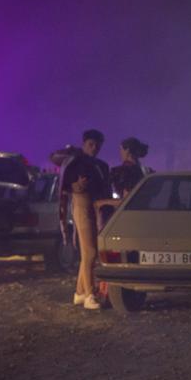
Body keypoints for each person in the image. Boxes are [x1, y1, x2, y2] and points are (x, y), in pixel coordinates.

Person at [59, 129, 110, 310]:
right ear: (84, 143)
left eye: (97, 145)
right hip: (82, 205)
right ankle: (89, 295)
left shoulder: (100, 166)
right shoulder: (76, 161)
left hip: (97, 208)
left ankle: (80, 292)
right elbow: (66, 184)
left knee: (91, 252)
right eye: (91, 144)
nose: (94, 148)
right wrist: (75, 185)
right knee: (90, 252)